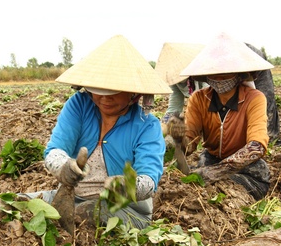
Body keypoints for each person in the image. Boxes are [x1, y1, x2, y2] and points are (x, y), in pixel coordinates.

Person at [22, 35, 171, 229]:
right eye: (98, 90)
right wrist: (63, 167)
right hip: (70, 197)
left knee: (87, 213)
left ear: (135, 93)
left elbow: (150, 179)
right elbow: (54, 150)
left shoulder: (147, 125)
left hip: (126, 210)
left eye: (114, 92)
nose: (105, 98)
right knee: (17, 204)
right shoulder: (79, 105)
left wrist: (127, 186)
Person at [167, 32, 274, 200]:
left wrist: (218, 171)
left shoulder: (254, 98)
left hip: (247, 170)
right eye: (214, 73)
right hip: (210, 160)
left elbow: (257, 146)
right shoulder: (199, 99)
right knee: (193, 191)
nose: (219, 78)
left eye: (226, 73)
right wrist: (179, 140)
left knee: (223, 194)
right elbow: (190, 143)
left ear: (240, 73)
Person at [153, 43, 208, 131]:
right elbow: (174, 109)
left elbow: (210, 101)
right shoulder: (174, 82)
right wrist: (160, 127)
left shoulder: (202, 75)